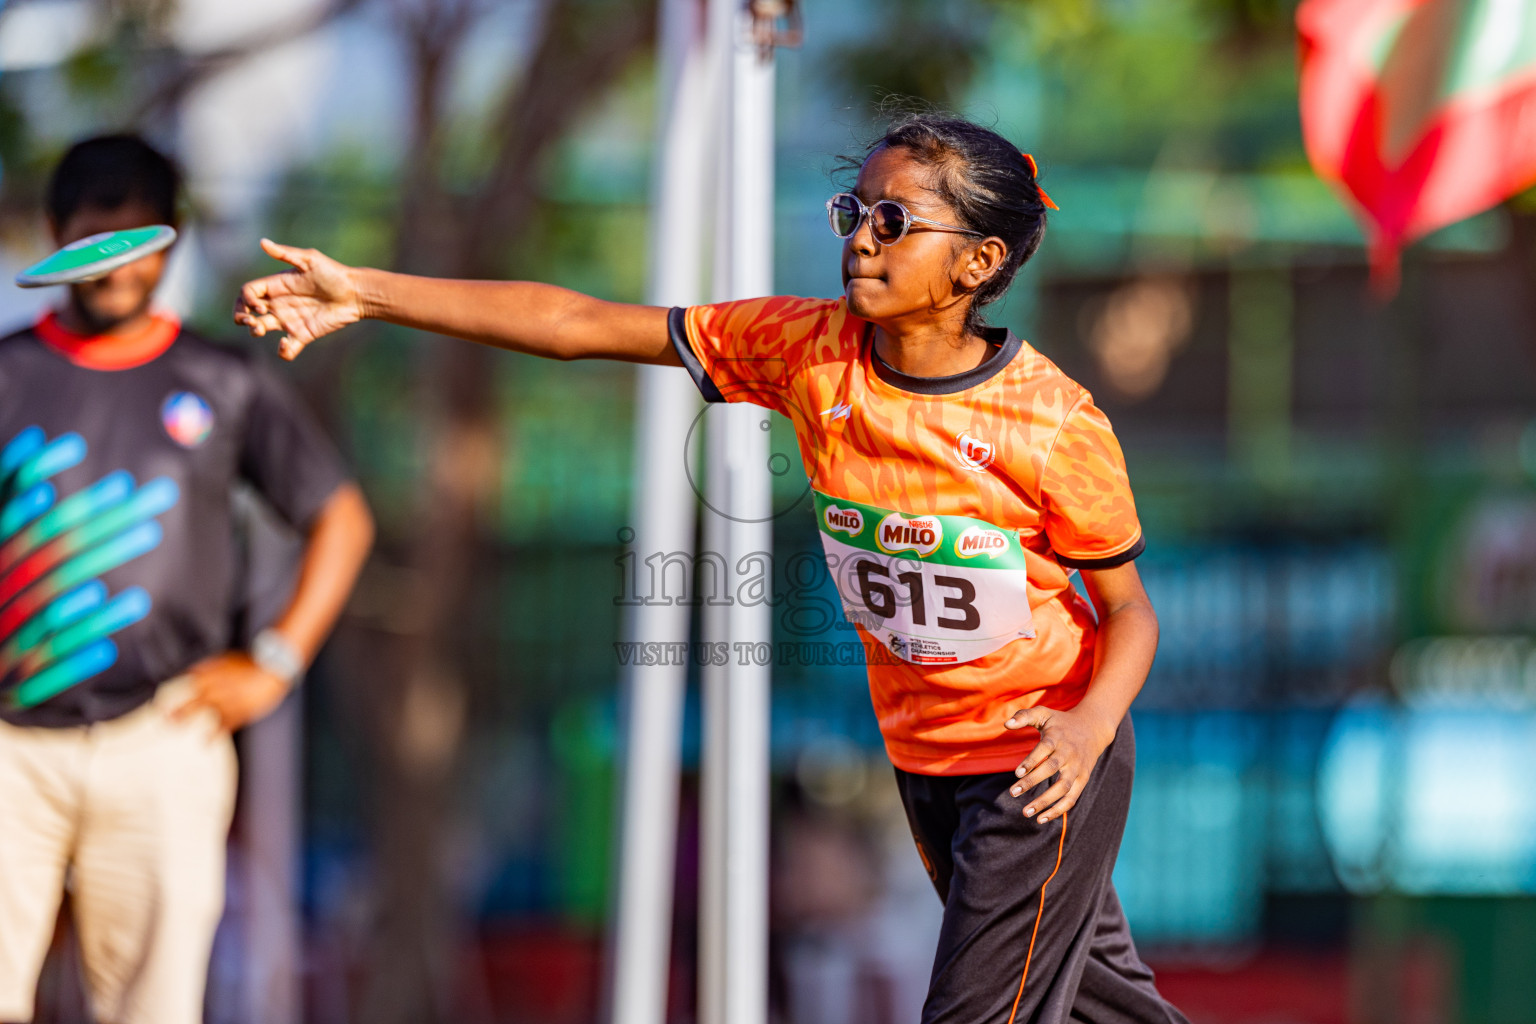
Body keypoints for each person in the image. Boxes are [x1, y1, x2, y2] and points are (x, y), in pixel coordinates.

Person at [235, 111, 1186, 1024]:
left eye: (894, 222)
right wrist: (364, 291)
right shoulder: (807, 350)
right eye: (853, 212)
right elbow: (575, 324)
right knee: (1105, 1004)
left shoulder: (1053, 422)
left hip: (1040, 760)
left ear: (978, 262)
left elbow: (1129, 612)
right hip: (925, 757)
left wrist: (1086, 726)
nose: (861, 239)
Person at [0, 134, 374, 1024]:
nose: (118, 266)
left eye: (139, 241)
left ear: (169, 240)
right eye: (96, 239)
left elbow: (341, 518)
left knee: (153, 1004)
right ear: (58, 236)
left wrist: (274, 662)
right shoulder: (8, 374)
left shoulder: (223, 377)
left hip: (165, 739)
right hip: (9, 750)